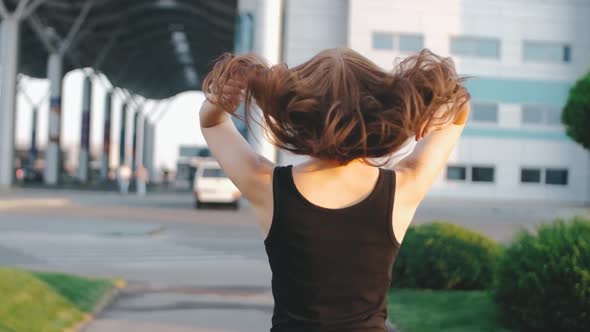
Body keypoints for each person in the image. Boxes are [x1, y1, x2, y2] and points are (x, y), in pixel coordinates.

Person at [199, 48, 470, 332]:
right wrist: (452, 104)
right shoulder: (403, 186)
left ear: (297, 113)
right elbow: (458, 114)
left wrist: (220, 102)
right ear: (378, 110)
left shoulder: (267, 185)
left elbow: (213, 123)